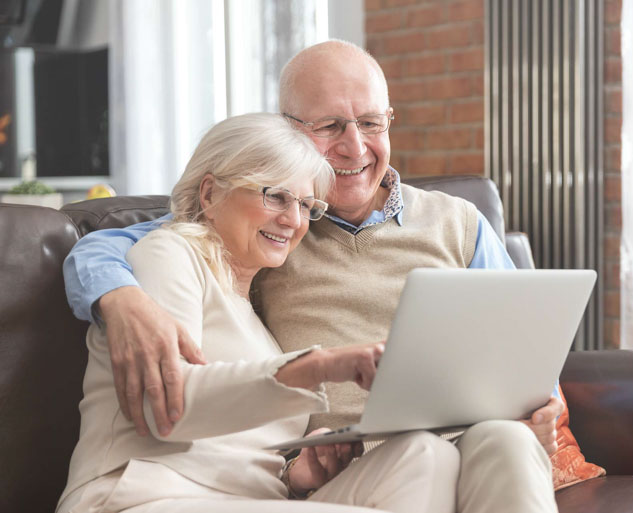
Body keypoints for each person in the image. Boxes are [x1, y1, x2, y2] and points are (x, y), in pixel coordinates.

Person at [64, 40, 563, 513]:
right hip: (302, 469)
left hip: (448, 440)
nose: (355, 146)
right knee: (425, 454)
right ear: (289, 129)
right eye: (329, 126)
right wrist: (118, 297)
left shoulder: (458, 222)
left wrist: (542, 400)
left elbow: (522, 342)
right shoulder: (239, 239)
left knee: (502, 439)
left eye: (371, 122)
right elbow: (127, 240)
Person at [58, 112, 461, 513]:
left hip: (251, 501)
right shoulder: (168, 254)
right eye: (276, 196)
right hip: (142, 494)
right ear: (210, 194)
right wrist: (319, 366)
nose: (293, 220)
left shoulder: (257, 318)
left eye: (306, 205)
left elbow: (239, 451)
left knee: (425, 454)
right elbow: (167, 408)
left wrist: (297, 473)